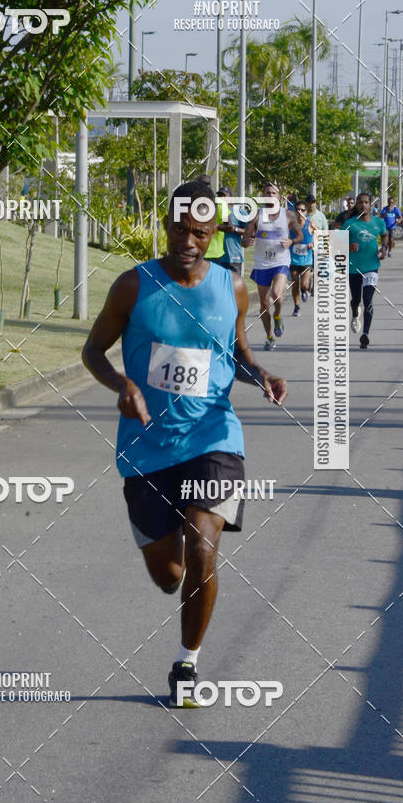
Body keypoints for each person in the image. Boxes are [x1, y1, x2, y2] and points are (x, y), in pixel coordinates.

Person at [82, 182, 288, 708]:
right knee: (169, 576)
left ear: (215, 232)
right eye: (180, 229)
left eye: (200, 232)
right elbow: (93, 352)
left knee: (202, 548)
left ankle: (187, 663)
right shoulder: (133, 286)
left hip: (213, 437)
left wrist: (258, 372)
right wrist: (123, 386)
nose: (188, 241)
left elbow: (235, 353)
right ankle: (157, 539)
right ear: (167, 226)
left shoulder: (232, 287)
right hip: (146, 448)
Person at [242, 183, 303, 350]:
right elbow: (245, 240)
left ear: (279, 196)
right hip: (262, 263)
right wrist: (248, 241)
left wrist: (291, 241)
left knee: (276, 294)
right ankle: (269, 337)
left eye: (273, 193)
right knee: (263, 304)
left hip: (281, 261)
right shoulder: (256, 216)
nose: (270, 195)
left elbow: (300, 235)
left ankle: (277, 315)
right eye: (267, 193)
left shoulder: (288, 215)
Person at [341, 192, 388, 349]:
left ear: (370, 205)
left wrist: (385, 248)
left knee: (367, 298)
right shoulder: (349, 223)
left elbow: (385, 234)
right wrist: (347, 246)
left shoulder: (378, 222)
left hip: (371, 267)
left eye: (366, 202)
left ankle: (365, 335)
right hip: (353, 268)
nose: (363, 205)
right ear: (357, 205)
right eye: (360, 202)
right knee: (356, 300)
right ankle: (355, 313)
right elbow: (336, 243)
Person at [289, 202, 314, 316]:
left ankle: (305, 289)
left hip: (306, 260)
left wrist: (313, 243)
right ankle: (296, 307)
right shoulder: (291, 225)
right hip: (293, 259)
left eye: (302, 210)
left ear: (306, 212)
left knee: (303, 284)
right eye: (297, 210)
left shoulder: (310, 224)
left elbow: (321, 236)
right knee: (295, 284)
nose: (300, 213)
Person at [217, 186, 248, 275]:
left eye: (224, 195)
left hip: (233, 257)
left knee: (234, 287)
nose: (221, 198)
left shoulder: (239, 211)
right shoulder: (215, 211)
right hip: (218, 257)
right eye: (219, 195)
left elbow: (250, 231)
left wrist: (235, 229)